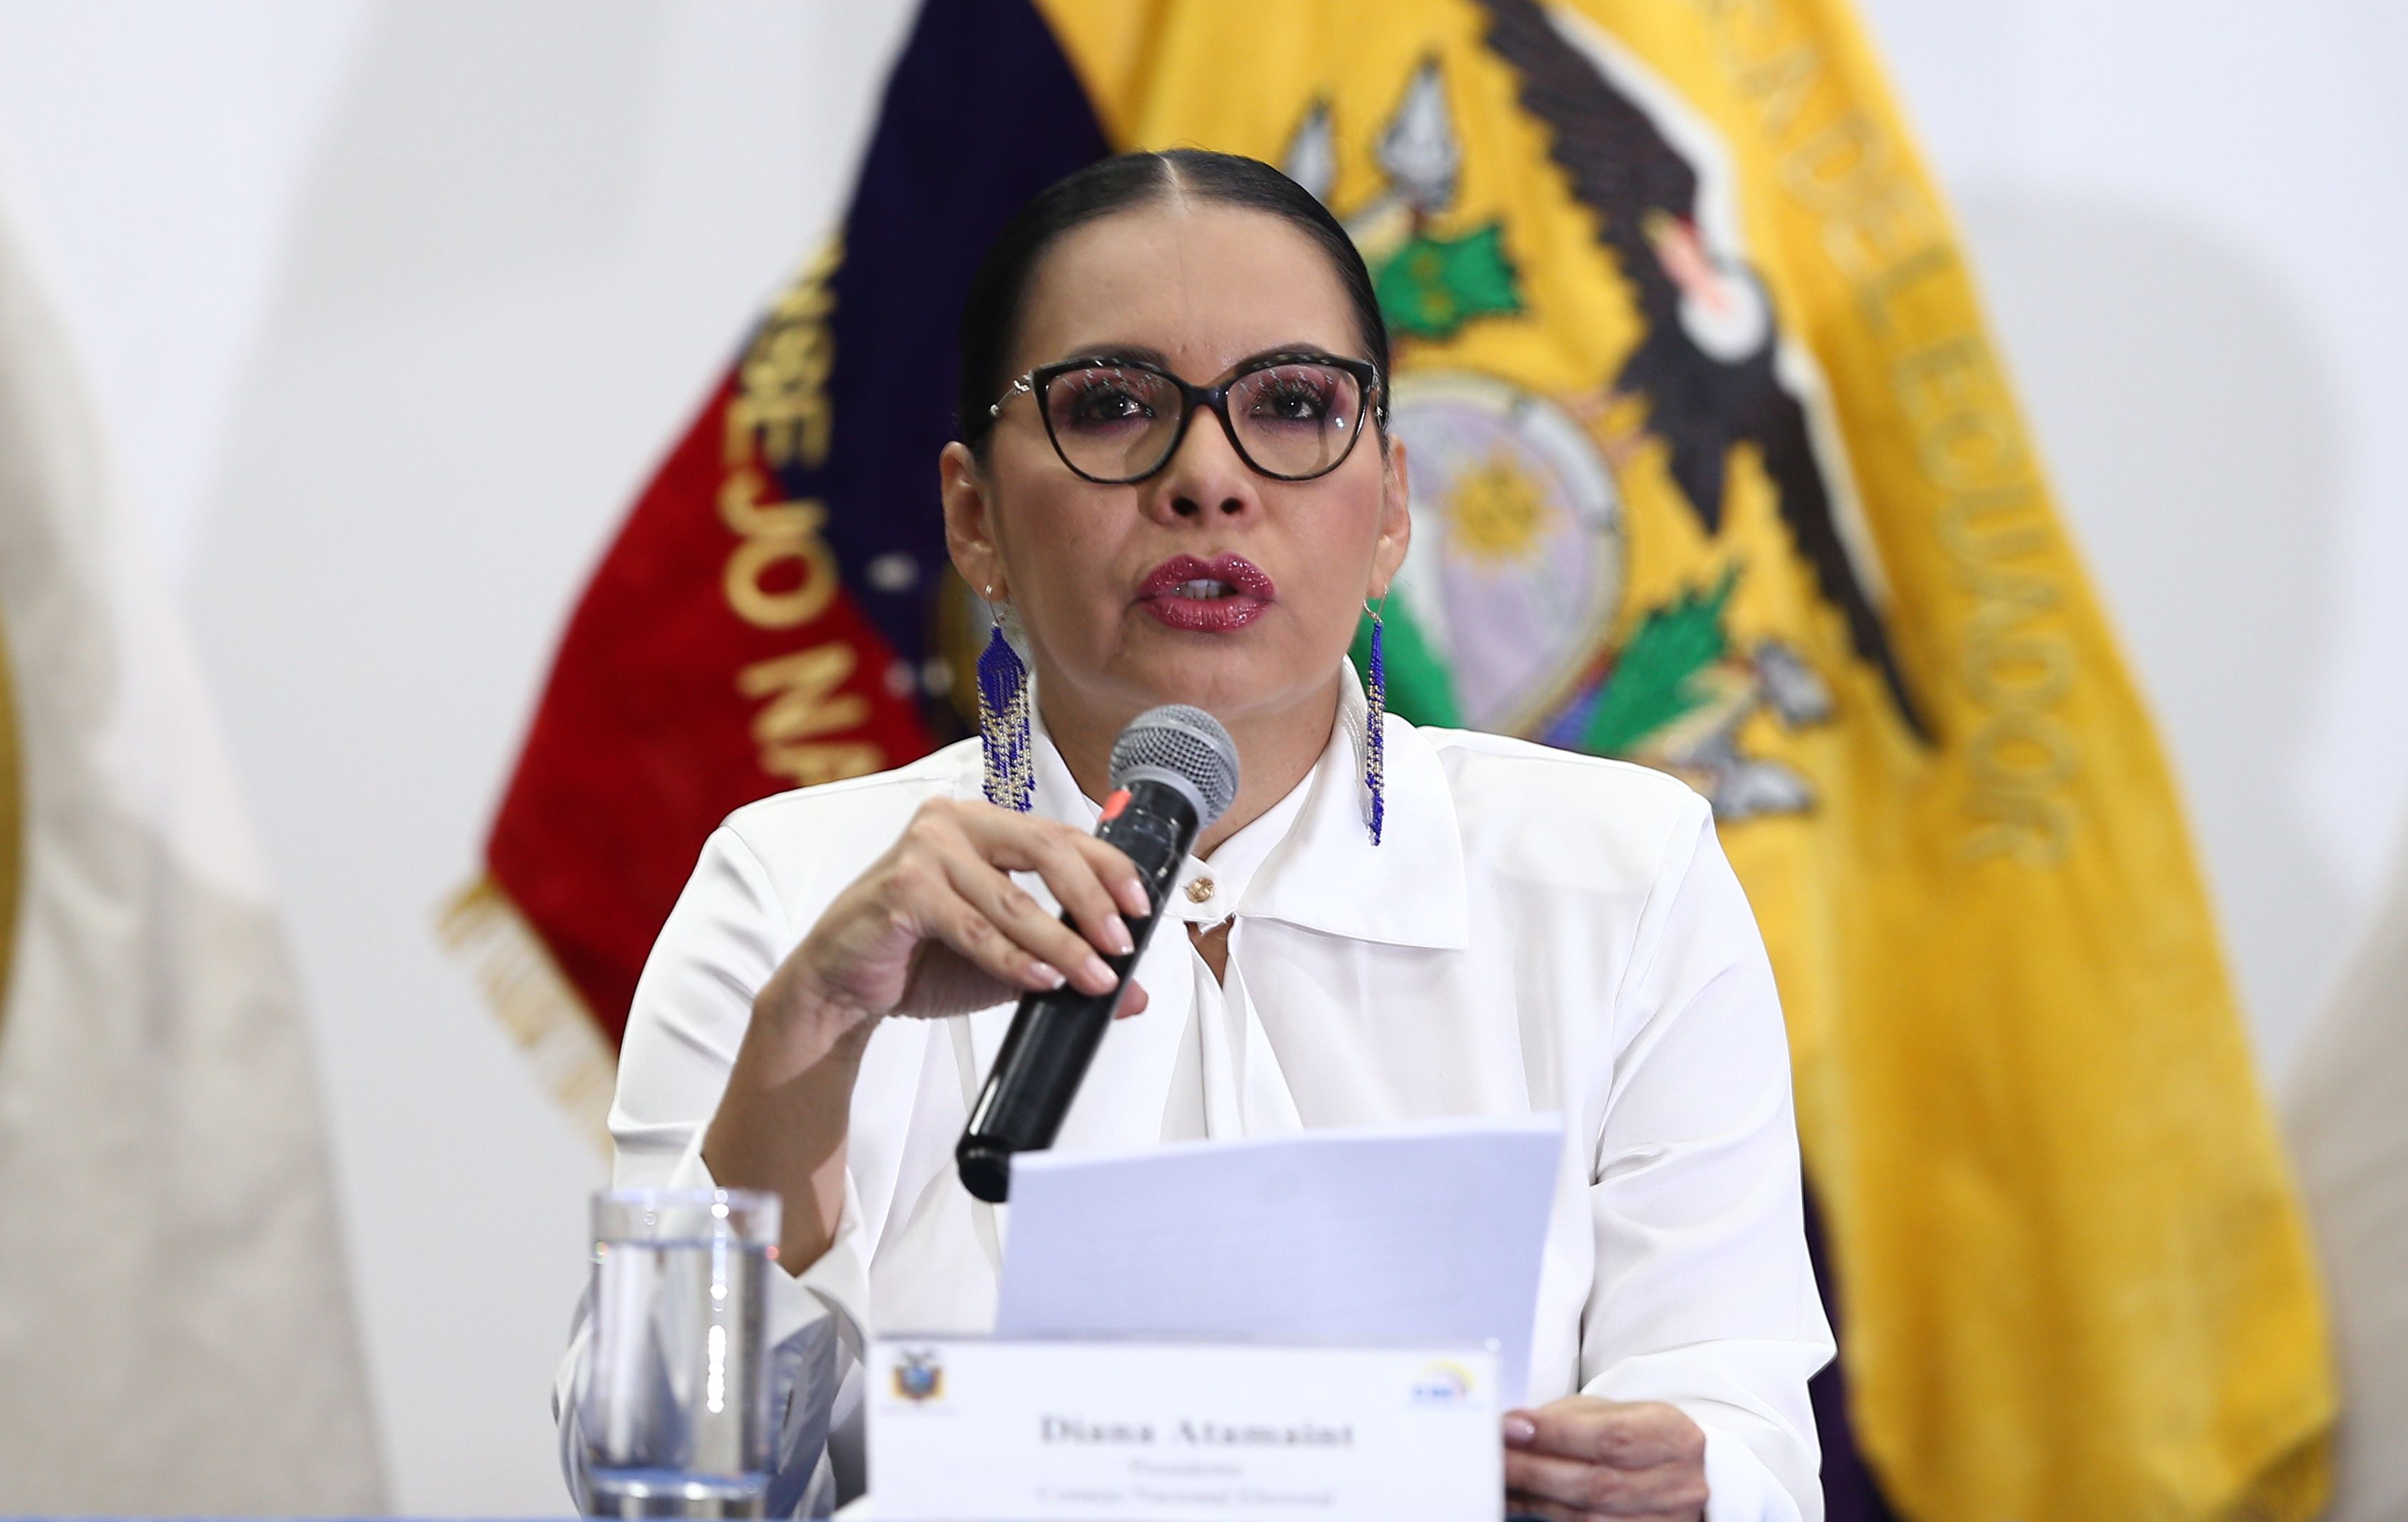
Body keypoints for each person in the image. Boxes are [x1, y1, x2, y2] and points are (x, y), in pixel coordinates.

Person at [556, 149, 1833, 1522]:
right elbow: (656, 1484)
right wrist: (811, 1032)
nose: (1209, 479)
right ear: (973, 516)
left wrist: (1681, 1481)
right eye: (1112, 407)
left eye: (1292, 405)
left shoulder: (1619, 876)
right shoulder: (793, 890)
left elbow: (1741, 1424)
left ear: (1392, 502)